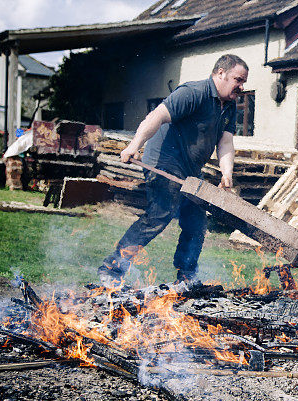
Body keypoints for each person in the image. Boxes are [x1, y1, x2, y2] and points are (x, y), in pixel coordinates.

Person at [98, 54, 248, 287]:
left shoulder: (228, 106)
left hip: (190, 171)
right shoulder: (192, 92)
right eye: (238, 79)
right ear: (220, 73)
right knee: (159, 215)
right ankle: (112, 268)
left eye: (243, 81)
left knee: (196, 222)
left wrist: (226, 173)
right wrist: (134, 146)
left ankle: (187, 277)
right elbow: (156, 116)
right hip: (163, 163)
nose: (241, 86)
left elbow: (225, 142)